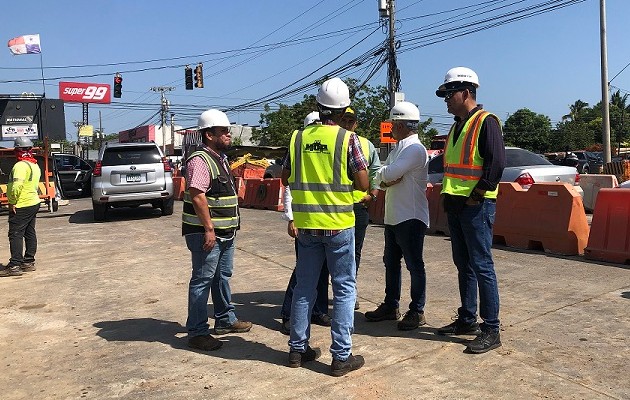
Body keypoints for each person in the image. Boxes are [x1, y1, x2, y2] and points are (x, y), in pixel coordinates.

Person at [282, 77, 368, 376]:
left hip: (307, 226)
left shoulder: (297, 137)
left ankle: (297, 349)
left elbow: (285, 177)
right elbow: (363, 182)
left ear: (318, 107)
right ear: (344, 109)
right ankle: (341, 357)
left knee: (305, 288)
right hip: (339, 225)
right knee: (344, 290)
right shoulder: (348, 139)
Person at [434, 67, 506, 353]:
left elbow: (495, 165)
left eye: (450, 94)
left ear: (466, 92)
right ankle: (467, 319)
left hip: (476, 206)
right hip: (456, 205)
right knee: (463, 265)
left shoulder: (486, 122)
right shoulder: (457, 125)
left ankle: (491, 328)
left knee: (482, 265)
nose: (446, 100)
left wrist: (477, 195)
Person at [182, 109, 252, 352]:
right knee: (202, 280)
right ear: (209, 134)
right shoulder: (200, 160)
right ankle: (197, 332)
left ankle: (224, 319)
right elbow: (198, 196)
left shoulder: (220, 158)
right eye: (223, 131)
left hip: (226, 232)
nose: (228, 135)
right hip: (207, 234)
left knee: (222, 276)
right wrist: (209, 229)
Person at [364, 102, 430, 331]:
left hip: (410, 217)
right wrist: (383, 178)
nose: (391, 127)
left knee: (414, 265)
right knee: (391, 263)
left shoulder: (414, 149)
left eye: (393, 124)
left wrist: (384, 177)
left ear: (401, 125)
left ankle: (417, 310)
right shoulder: (399, 148)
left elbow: (387, 173)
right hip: (394, 216)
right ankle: (391, 305)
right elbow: (380, 177)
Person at [279, 111, 331, 336]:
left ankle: (318, 310)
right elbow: (288, 185)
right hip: (305, 220)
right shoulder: (298, 147)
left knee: (323, 270)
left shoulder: (325, 149)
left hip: (326, 219)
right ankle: (289, 315)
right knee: (303, 272)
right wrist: (291, 218)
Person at [339, 107, 381, 310]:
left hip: (358, 206)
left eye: (351, 121)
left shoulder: (366, 144)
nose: (347, 124)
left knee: (354, 252)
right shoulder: (333, 141)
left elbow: (375, 171)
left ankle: (349, 293)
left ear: (356, 123)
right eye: (344, 120)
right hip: (335, 206)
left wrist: (373, 194)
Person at [0, 137, 42, 277]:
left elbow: (16, 186)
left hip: (21, 204)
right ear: (30, 149)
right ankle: (28, 262)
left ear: (17, 150)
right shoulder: (34, 165)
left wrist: (12, 201)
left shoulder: (19, 166)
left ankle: (15, 265)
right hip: (33, 202)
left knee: (16, 234)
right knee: (29, 232)